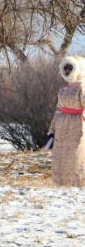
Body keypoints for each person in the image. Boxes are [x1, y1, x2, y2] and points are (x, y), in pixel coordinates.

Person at [48, 55, 85, 187]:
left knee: (75, 154)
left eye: (70, 67)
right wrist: (52, 130)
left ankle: (77, 183)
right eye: (65, 68)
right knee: (60, 154)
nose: (67, 70)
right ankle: (61, 183)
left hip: (77, 125)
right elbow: (58, 109)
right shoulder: (64, 88)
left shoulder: (82, 86)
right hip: (62, 126)